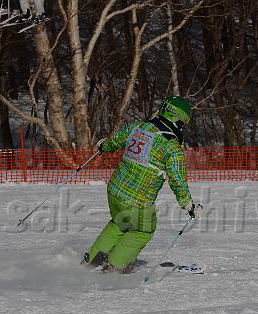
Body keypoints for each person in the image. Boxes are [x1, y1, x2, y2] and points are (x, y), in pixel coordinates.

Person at [83, 96, 202, 273]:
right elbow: (178, 181)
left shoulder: (139, 127)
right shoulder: (172, 148)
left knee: (119, 223)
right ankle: (114, 265)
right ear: (179, 120)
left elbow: (115, 140)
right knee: (143, 231)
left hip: (115, 190)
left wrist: (104, 146)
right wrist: (189, 205)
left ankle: (92, 260)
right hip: (137, 200)